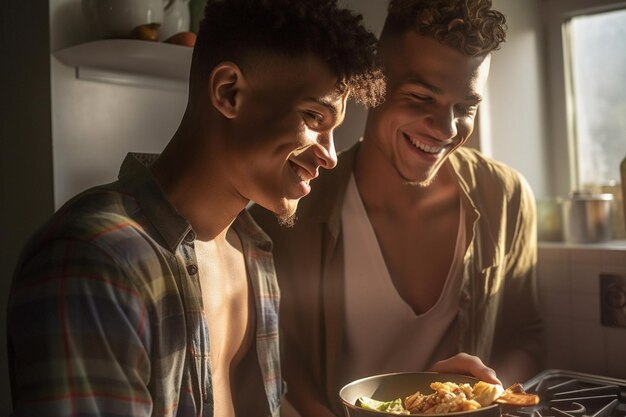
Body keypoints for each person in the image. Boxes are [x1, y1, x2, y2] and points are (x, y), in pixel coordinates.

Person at [6, 1, 386, 416]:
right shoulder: (94, 258)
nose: (330, 155)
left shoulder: (252, 251)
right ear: (229, 92)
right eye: (314, 117)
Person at [250, 0, 545, 416]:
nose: (445, 129)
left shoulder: (507, 196)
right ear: (373, 84)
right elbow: (278, 349)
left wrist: (477, 396)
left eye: (465, 108)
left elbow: (526, 334)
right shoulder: (293, 199)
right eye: (422, 96)